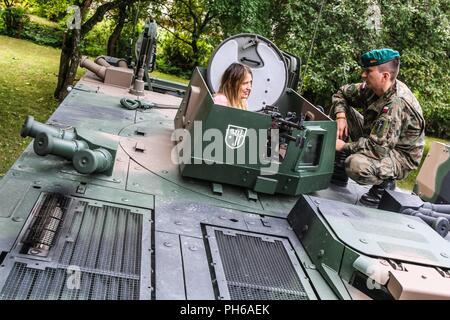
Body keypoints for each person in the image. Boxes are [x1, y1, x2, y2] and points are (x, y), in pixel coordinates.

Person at [329, 48, 425, 206]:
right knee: (339, 108)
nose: (363, 75)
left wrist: (343, 147)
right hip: (377, 137)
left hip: (399, 156)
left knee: (356, 165)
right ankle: (339, 171)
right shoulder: (372, 88)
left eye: (368, 71)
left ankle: (384, 185)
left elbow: (377, 149)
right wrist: (341, 117)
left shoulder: (397, 103)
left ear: (385, 76)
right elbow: (340, 94)